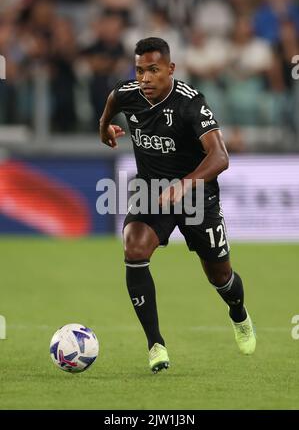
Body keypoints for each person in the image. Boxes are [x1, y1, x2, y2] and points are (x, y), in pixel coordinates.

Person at [99, 37, 256, 373]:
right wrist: (104, 128)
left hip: (196, 193)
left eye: (153, 70)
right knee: (134, 247)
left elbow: (220, 157)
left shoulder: (190, 103)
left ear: (170, 69)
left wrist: (184, 185)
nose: (145, 78)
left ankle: (238, 313)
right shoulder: (128, 93)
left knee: (221, 276)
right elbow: (112, 101)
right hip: (152, 189)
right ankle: (155, 344)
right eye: (139, 70)